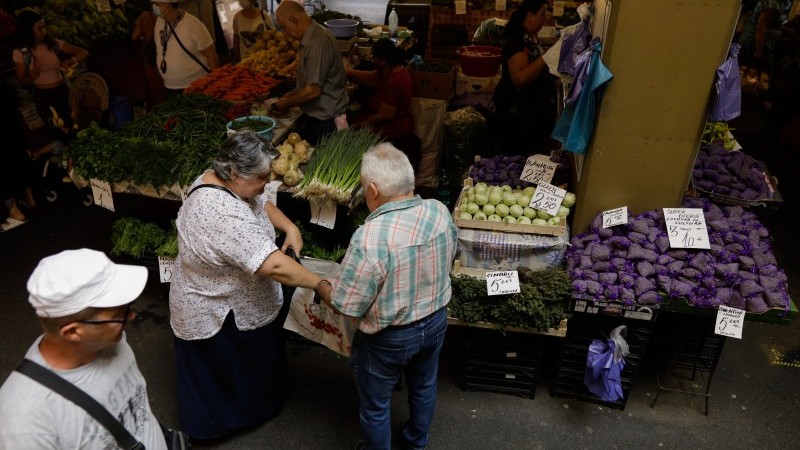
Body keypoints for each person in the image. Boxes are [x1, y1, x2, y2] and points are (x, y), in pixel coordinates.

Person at [169, 130, 333, 440]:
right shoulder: (216, 211)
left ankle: (259, 406)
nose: (264, 185)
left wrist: (289, 226)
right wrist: (319, 283)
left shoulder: (225, 180)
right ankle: (220, 427)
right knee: (226, 371)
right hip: (216, 306)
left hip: (242, 296)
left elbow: (262, 203)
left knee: (255, 362)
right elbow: (272, 265)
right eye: (260, 178)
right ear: (232, 172)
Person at [315, 143, 458, 450]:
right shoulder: (439, 211)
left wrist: (319, 284)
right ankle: (415, 442)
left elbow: (347, 304)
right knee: (423, 386)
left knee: (375, 407)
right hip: (435, 322)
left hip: (388, 338)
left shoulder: (370, 237)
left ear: (374, 190)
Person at [0, 249, 168, 449]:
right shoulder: (23, 425)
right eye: (120, 312)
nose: (131, 316)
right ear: (72, 332)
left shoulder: (107, 340)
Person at [272, 0, 348, 145]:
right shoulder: (313, 36)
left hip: (326, 121)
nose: (284, 32)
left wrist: (286, 104)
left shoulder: (316, 43)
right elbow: (313, 79)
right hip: (319, 116)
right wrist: (294, 92)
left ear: (293, 21)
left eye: (284, 27)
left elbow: (313, 91)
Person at [492, 0, 557, 156]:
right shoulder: (517, 40)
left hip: (529, 113)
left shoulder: (530, 36)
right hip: (517, 116)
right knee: (516, 159)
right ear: (529, 16)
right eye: (542, 14)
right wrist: (547, 57)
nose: (545, 18)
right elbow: (519, 79)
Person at [346, 38, 421, 171]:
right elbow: (370, 77)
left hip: (394, 127)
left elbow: (385, 116)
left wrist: (364, 124)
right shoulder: (392, 70)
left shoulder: (395, 80)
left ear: (383, 60)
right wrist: (345, 72)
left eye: (373, 56)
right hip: (389, 120)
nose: (371, 58)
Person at [12, 10, 89, 134]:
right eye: (39, 28)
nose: (44, 31)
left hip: (64, 92)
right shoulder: (22, 52)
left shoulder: (53, 45)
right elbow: (22, 79)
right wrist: (32, 76)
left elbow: (84, 52)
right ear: (27, 30)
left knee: (78, 127)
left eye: (44, 27)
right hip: (45, 98)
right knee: (61, 132)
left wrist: (72, 60)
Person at [152, 0, 220, 94]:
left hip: (196, 87)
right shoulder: (159, 22)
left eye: (157, 4)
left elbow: (211, 54)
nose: (153, 7)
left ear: (168, 7)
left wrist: (218, 82)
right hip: (170, 87)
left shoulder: (193, 25)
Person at [737, 0, 792, 68]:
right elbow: (761, 26)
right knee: (758, 74)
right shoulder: (773, 4)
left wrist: (783, 29)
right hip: (757, 44)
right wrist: (759, 51)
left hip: (751, 41)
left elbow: (768, 23)